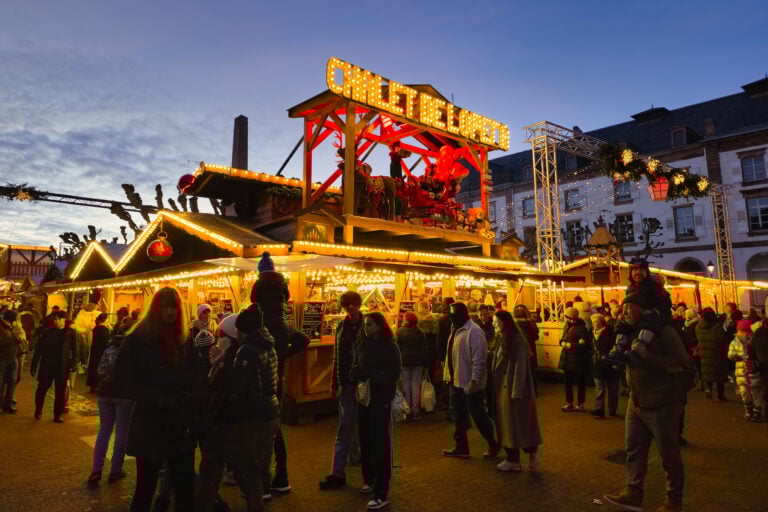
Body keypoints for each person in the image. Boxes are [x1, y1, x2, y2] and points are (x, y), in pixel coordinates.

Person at [111, 287, 196, 512]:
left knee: (185, 486)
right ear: (156, 309)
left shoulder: (185, 339)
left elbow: (192, 376)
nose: (170, 312)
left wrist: (188, 403)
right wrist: (154, 399)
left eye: (174, 308)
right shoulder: (138, 339)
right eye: (165, 307)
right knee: (145, 487)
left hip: (178, 423)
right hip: (150, 423)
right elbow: (120, 380)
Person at [603, 294, 690, 512]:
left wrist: (648, 357)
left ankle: (673, 501)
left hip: (663, 402)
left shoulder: (664, 332)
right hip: (636, 401)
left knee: (668, 455)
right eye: (623, 308)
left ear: (642, 309)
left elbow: (682, 362)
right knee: (633, 450)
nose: (624, 312)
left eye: (630, 307)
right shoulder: (629, 333)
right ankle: (633, 493)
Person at [197, 307, 280, 512]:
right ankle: (255, 502)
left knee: (222, 466)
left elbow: (240, 389)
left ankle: (208, 504)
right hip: (263, 413)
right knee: (247, 467)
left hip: (238, 420)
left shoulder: (243, 352)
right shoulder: (266, 346)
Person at [249, 251, 309, 494]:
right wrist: (284, 354)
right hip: (278, 379)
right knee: (274, 430)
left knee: (258, 433)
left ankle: (262, 481)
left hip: (258, 384)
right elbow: (304, 341)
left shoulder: (257, 326)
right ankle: (281, 476)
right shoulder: (285, 325)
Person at [349, 312, 402, 510]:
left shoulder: (390, 346)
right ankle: (369, 478)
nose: (366, 328)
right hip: (364, 398)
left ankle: (382, 491)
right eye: (365, 325)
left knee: (380, 442)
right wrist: (356, 373)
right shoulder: (362, 344)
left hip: (381, 398)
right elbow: (354, 367)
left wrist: (374, 375)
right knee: (366, 438)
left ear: (379, 326)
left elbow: (394, 372)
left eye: (369, 325)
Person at [441, 302, 501, 459]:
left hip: (469, 382)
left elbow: (479, 358)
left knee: (478, 415)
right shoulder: (455, 329)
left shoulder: (474, 331)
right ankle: (461, 447)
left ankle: (493, 443)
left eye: (453, 316)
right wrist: (448, 375)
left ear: (462, 315)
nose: (451, 319)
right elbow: (451, 354)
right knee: (458, 415)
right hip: (455, 380)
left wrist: (475, 380)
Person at [319, 291, 364, 490]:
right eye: (347, 305)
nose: (350, 308)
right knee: (345, 427)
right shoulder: (341, 327)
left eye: (353, 304)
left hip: (364, 384)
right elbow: (337, 357)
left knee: (364, 427)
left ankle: (363, 466)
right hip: (347, 383)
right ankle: (337, 472)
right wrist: (333, 383)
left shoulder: (369, 325)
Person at [491, 311, 542, 472]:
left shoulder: (517, 340)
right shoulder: (501, 338)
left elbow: (521, 368)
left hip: (512, 389)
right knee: (509, 424)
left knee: (519, 423)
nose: (494, 324)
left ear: (504, 322)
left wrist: (516, 391)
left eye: (496, 321)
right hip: (502, 389)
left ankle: (527, 455)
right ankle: (513, 457)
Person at [87, 331, 134, 484]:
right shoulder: (130, 352)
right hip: (124, 395)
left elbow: (100, 370)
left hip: (104, 392)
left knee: (104, 430)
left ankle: (96, 470)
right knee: (122, 432)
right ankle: (115, 470)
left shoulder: (109, 349)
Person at [30, 310, 76, 422]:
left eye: (59, 319)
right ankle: (38, 410)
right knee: (42, 389)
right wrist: (34, 365)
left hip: (62, 366)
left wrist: (73, 364)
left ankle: (57, 414)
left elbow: (74, 350)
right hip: (47, 365)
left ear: (65, 320)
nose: (57, 321)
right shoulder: (47, 332)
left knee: (60, 391)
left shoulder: (70, 332)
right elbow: (39, 349)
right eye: (55, 319)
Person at [728, 319, 764, 421]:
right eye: (740, 330)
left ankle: (757, 411)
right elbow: (730, 355)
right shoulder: (735, 342)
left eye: (744, 330)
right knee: (745, 393)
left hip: (753, 371)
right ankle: (749, 410)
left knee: (756, 391)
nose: (742, 333)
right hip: (741, 372)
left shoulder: (754, 340)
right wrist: (739, 356)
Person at [559, 307, 592, 412]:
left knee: (580, 382)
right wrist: (562, 342)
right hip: (567, 358)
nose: (565, 319)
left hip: (578, 360)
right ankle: (569, 403)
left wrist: (570, 345)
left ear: (571, 317)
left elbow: (586, 345)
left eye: (567, 317)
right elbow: (562, 339)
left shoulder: (581, 328)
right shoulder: (567, 326)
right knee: (567, 382)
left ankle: (580, 403)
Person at [396, 311, 426, 421]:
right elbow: (423, 349)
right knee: (415, 386)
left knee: (406, 386)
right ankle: (416, 410)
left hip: (404, 361)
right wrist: (425, 362)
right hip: (417, 362)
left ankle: (407, 410)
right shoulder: (420, 332)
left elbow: (397, 348)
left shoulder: (399, 332)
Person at [695, 307, 729, 401]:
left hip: (704, 352)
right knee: (719, 375)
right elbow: (723, 339)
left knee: (707, 371)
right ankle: (720, 395)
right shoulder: (716, 327)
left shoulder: (698, 327)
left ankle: (708, 389)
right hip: (717, 353)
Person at [591, 313, 619, 418]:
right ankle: (599, 409)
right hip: (597, 364)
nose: (593, 324)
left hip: (610, 363)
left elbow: (615, 346)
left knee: (613, 389)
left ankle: (612, 410)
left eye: (595, 322)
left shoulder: (610, 332)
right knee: (599, 388)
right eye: (592, 322)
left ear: (601, 323)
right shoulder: (592, 333)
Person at [512, 305, 539, 395]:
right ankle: (533, 391)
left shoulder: (513, 326)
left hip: (518, 354)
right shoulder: (530, 324)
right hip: (531, 352)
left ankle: (520, 392)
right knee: (531, 373)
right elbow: (536, 336)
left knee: (519, 373)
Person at [0, 311, 21, 413]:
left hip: (13, 357)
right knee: (1, 382)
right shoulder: (1, 327)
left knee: (12, 381)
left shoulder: (12, 327)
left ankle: (7, 404)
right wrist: (12, 339)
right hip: (2, 358)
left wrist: (18, 338)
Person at [86, 313, 111, 393]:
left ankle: (92, 386)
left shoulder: (96, 328)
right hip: (101, 351)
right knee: (99, 368)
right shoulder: (105, 329)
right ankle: (97, 386)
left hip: (95, 350)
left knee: (94, 367)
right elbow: (107, 341)